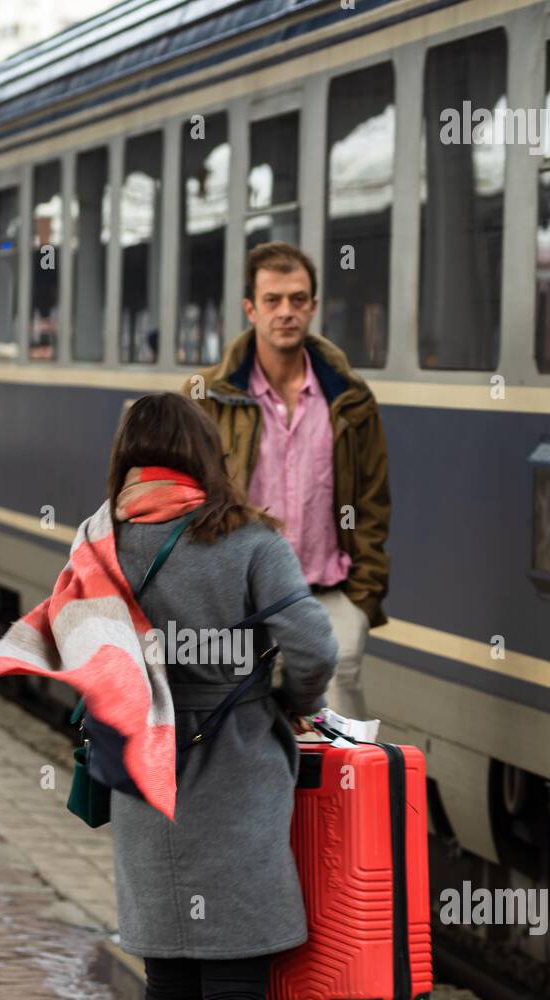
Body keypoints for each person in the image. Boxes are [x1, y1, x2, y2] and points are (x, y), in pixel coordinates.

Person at [107, 392, 339, 1000]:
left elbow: (77, 658)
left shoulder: (100, 543)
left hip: (147, 790)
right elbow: (313, 646)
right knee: (236, 989)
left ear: (131, 457)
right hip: (237, 783)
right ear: (208, 455)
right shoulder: (250, 541)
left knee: (168, 986)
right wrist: (286, 702)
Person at [182, 240, 390, 722]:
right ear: (250, 308)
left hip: (327, 595)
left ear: (313, 307)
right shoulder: (207, 399)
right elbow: (181, 499)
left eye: (298, 300)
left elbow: (374, 503)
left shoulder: (352, 402)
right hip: (237, 599)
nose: (286, 312)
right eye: (273, 300)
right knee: (236, 736)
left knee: (338, 746)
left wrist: (361, 600)